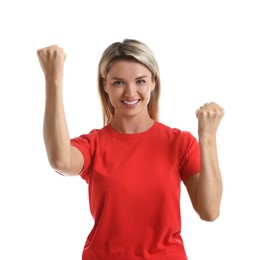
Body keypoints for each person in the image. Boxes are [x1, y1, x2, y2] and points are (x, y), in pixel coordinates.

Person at [37, 39, 225, 260]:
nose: (130, 92)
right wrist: (53, 78)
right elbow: (60, 160)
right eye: (118, 83)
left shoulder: (179, 143)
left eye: (140, 81)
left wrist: (208, 137)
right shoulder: (94, 144)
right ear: (105, 84)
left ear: (153, 83)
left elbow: (209, 211)